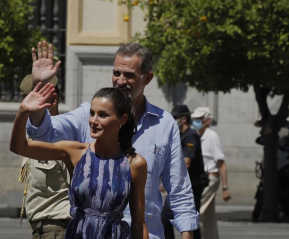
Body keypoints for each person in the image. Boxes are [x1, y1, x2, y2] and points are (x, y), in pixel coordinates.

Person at [26, 41, 198, 239]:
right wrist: (39, 88)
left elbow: (179, 187)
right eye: (117, 73)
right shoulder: (88, 116)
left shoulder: (164, 123)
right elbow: (44, 133)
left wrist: (187, 233)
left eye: (129, 75)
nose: (120, 80)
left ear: (147, 78)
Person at [10, 85, 149, 239]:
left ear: (122, 120)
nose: (93, 121)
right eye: (92, 113)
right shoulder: (75, 152)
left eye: (103, 115)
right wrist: (23, 111)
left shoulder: (134, 164)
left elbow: (138, 224)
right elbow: (19, 147)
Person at [18, 75, 70, 239]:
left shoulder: (64, 138)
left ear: (52, 101)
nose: (27, 109)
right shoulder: (32, 136)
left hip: (57, 229)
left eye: (32, 104)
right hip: (41, 230)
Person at [162, 105, 208, 239]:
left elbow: (186, 162)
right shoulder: (180, 135)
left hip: (192, 183)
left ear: (184, 119)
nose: (173, 120)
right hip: (182, 183)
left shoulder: (191, 135)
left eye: (175, 118)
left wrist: (168, 177)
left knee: (171, 217)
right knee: (187, 220)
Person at [191, 107, 231, 239]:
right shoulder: (196, 136)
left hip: (210, 178)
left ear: (207, 121)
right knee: (208, 217)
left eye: (199, 119)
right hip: (201, 179)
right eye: (194, 119)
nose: (195, 122)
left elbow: (221, 163)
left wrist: (225, 187)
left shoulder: (212, 137)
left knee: (196, 211)